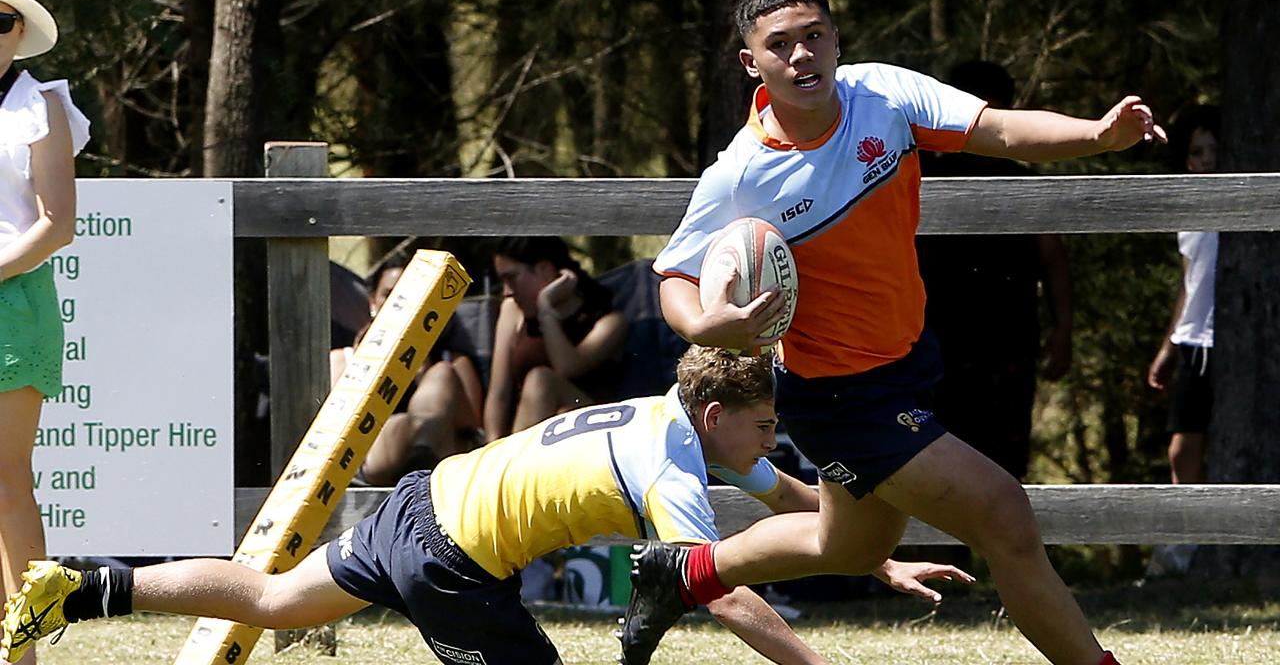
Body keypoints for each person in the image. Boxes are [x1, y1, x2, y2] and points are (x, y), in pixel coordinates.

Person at [636, 0, 1165, 665]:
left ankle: (680, 572)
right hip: (838, 393)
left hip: (907, 358)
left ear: (835, 38)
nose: (802, 56)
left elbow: (999, 130)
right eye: (781, 44)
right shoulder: (741, 176)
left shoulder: (881, 95)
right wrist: (709, 329)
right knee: (1003, 513)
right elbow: (674, 276)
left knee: (850, 545)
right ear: (751, 62)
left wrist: (1098, 134)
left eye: (814, 37)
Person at [0, 346, 972, 665]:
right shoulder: (673, 462)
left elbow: (789, 499)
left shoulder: (666, 414)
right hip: (452, 562)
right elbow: (718, 591)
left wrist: (874, 558)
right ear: (718, 414)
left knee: (269, 599)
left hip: (422, 504)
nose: (771, 444)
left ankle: (78, 589)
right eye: (762, 426)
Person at [916, 60, 1073, 481]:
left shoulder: (1024, 181)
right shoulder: (917, 178)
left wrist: (1063, 329)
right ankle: (939, 551)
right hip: (933, 345)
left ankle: (999, 548)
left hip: (1006, 344)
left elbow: (1053, 256)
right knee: (934, 466)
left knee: (1002, 468)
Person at [0, 0, 90, 665]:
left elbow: (57, 225)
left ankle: (21, 651)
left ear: (21, 32)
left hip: (14, 302)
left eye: (1, 21)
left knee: (7, 481)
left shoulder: (43, 105)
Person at [330, 252, 485, 485]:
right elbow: (333, 432)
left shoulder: (452, 362)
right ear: (373, 301)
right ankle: (419, 453)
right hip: (372, 456)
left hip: (443, 461)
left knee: (442, 374)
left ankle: (422, 453)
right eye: (389, 295)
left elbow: (471, 429)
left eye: (409, 297)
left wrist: (422, 373)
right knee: (404, 424)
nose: (399, 306)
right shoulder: (343, 360)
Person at [1144, 104, 1218, 575]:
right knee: (1181, 451)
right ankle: (1180, 552)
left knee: (1203, 447)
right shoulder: (1190, 212)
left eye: (1216, 150)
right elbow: (1189, 281)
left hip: (1221, 341)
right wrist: (1169, 345)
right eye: (1197, 151)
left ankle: (1189, 552)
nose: (1207, 160)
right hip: (1194, 341)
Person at [484, 236, 628, 441]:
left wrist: (545, 310)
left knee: (542, 380)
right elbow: (499, 393)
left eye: (512, 278)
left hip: (589, 428)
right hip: (526, 428)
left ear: (545, 270)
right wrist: (491, 448)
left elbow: (567, 367)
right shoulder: (512, 311)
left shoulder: (609, 323)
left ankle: (514, 466)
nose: (507, 292)